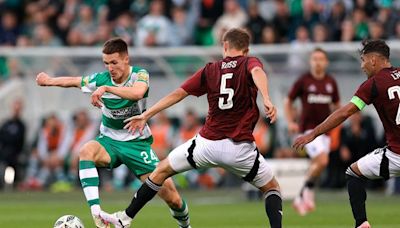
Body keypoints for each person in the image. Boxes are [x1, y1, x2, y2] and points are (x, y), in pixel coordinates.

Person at [103, 28, 282, 228]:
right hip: (240, 149)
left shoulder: (210, 69)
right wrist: (266, 97)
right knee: (272, 189)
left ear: (224, 46)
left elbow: (178, 93)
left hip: (206, 145)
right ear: (246, 50)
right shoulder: (250, 62)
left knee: (160, 170)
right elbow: (257, 72)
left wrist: (146, 114)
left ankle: (125, 218)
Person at [35, 38, 191, 228]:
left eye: (114, 62)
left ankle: (186, 226)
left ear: (126, 59)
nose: (110, 68)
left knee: (172, 198)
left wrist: (107, 88)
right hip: (109, 141)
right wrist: (49, 81)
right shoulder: (101, 79)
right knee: (86, 151)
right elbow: (74, 81)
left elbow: (138, 93)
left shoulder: (139, 75)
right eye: (106, 63)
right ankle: (97, 213)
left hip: (137, 143)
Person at [293, 39, 400, 228]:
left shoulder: (373, 85)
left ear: (373, 60)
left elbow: (345, 112)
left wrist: (313, 133)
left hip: (396, 155)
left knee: (353, 173)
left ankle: (361, 224)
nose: (362, 66)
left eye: (363, 60)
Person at [284, 47, 340, 215]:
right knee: (322, 161)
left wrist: (338, 122)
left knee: (317, 164)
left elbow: (337, 106)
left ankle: (303, 195)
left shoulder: (331, 82)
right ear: (310, 62)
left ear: (326, 62)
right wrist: (290, 122)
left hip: (325, 132)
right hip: (308, 132)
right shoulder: (304, 81)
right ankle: (305, 193)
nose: (317, 62)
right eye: (314, 59)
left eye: (321, 59)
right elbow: (288, 101)